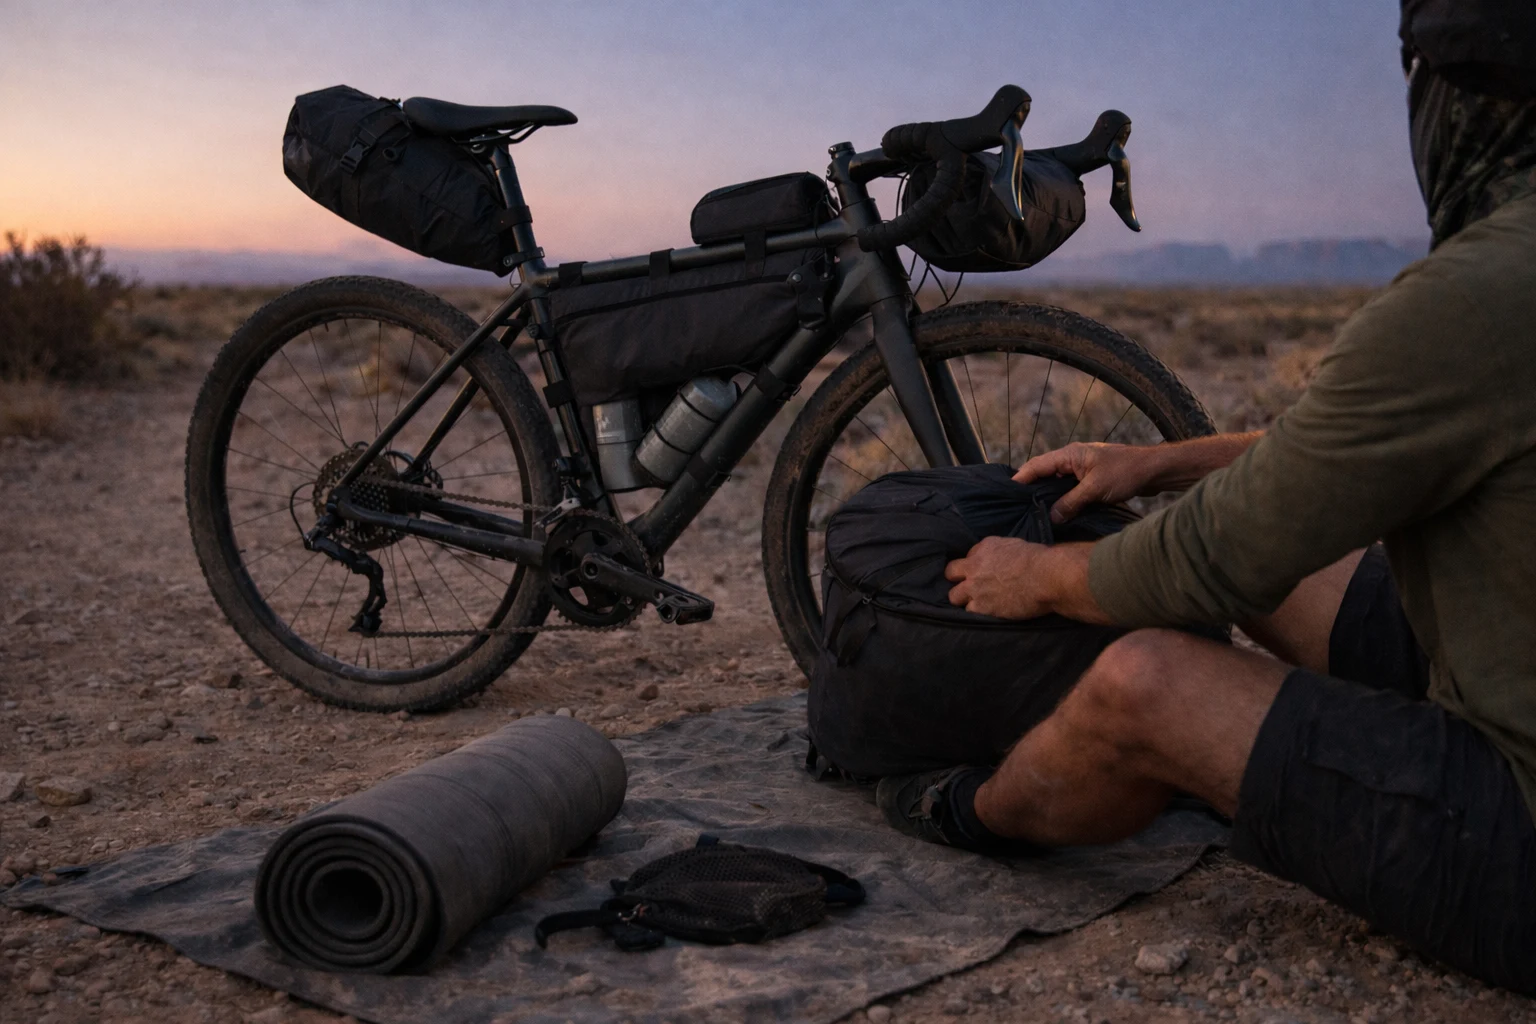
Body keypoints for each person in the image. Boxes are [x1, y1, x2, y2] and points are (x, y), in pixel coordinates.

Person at [876, 1, 1536, 994]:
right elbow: (1344, 455)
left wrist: (1041, 576)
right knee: (1267, 561)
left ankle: (971, 807)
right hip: (1500, 653)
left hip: (1520, 826)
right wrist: (1165, 463)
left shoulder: (1483, 295)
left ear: (1447, 98)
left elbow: (1210, 560)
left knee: (1145, 678)